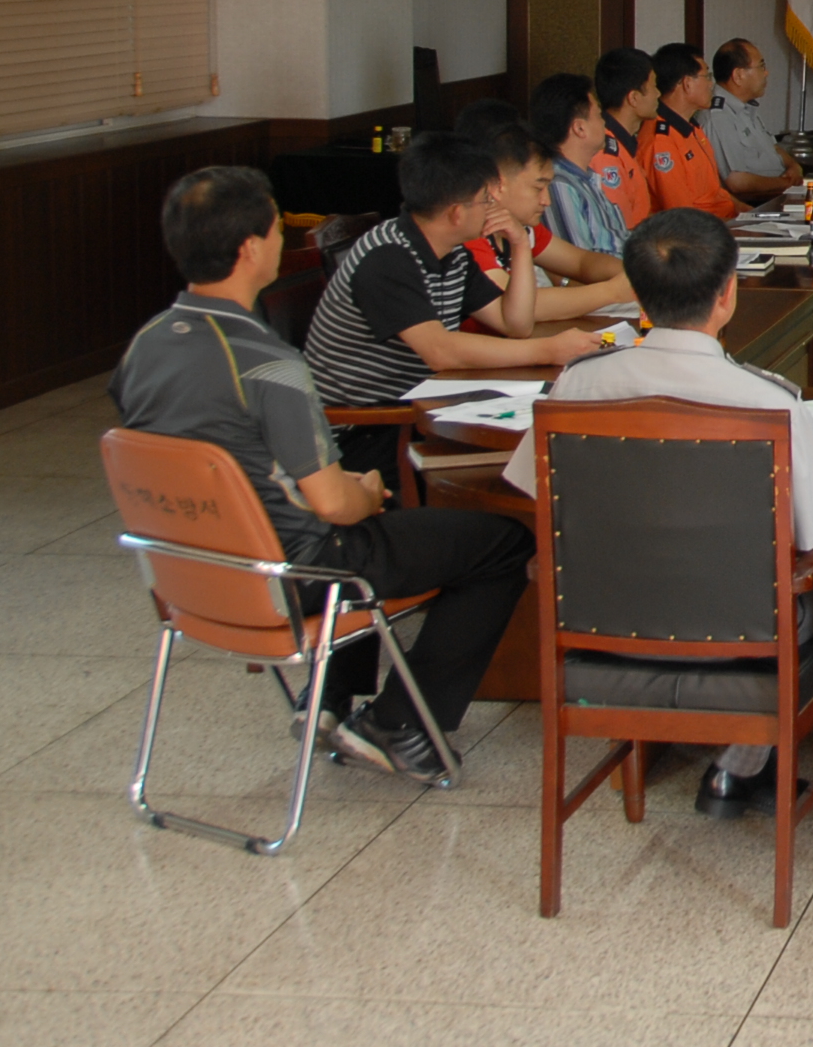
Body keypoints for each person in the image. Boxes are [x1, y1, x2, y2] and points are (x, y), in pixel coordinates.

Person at [112, 166, 533, 781]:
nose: (281, 240)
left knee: (387, 527)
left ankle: (330, 697)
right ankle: (401, 723)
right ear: (251, 249)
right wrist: (363, 492)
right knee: (500, 542)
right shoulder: (269, 364)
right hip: (289, 572)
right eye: (276, 229)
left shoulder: (142, 346)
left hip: (189, 573)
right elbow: (333, 506)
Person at [500, 210, 813, 819]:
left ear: (638, 295)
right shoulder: (765, 399)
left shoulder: (576, 386)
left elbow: (537, 491)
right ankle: (743, 762)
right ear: (728, 294)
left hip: (603, 617)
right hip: (742, 627)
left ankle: (726, 756)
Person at [303, 132, 600, 476]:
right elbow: (440, 351)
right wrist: (548, 350)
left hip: (417, 409)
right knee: (534, 462)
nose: (493, 206)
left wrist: (520, 244)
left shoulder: (452, 253)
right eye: (485, 200)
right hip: (362, 432)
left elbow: (514, 324)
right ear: (458, 213)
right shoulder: (387, 257)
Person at [460, 125, 632, 326]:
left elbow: (581, 262)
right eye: (538, 188)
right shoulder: (470, 236)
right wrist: (611, 292)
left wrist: (637, 275)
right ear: (497, 186)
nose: (546, 201)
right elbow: (523, 308)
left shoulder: (523, 228)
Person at [530, 71, 631, 259]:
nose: (604, 123)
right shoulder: (560, 184)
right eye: (599, 115)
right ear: (579, 128)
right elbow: (580, 266)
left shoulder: (586, 178)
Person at [643, 41, 746, 220]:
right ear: (687, 83)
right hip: (705, 231)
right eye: (707, 76)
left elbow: (716, 193)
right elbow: (683, 216)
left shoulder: (691, 127)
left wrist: (753, 215)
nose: (711, 84)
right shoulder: (661, 142)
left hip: (727, 222)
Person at [705, 38, 803, 202]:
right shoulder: (718, 117)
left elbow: (772, 147)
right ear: (738, 75)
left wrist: (794, 166)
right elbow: (738, 183)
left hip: (781, 191)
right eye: (761, 66)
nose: (766, 73)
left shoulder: (746, 107)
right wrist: (786, 184)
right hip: (759, 201)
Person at [591, 47, 660, 229]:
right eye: (654, 87)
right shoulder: (605, 153)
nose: (658, 94)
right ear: (634, 98)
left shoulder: (624, 142)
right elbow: (619, 228)